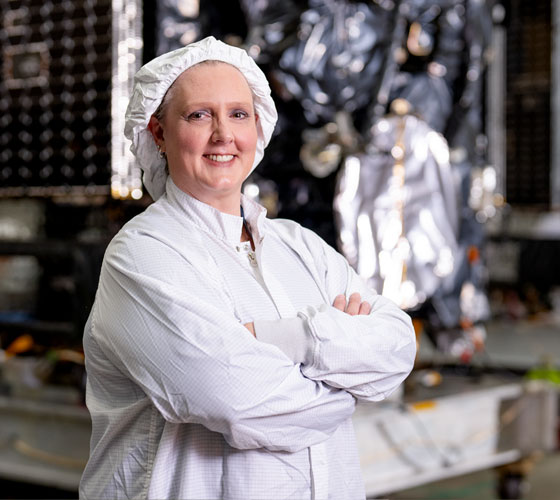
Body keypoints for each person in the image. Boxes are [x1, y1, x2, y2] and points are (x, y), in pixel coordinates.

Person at [79, 36, 416, 500]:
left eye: (239, 114)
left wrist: (284, 338)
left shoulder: (301, 246)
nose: (224, 135)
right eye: (199, 115)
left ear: (258, 126)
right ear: (158, 132)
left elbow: (398, 346)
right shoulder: (143, 256)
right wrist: (347, 384)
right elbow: (239, 403)